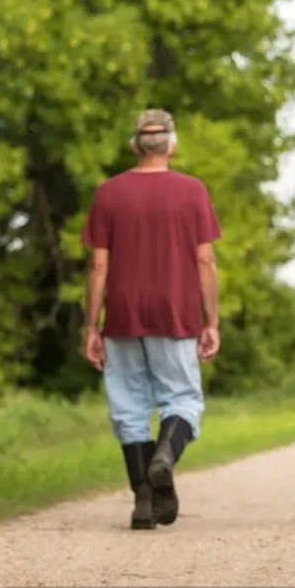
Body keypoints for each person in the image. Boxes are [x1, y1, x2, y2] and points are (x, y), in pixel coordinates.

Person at [81, 109, 222, 530]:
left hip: (122, 313)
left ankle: (143, 500)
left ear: (134, 145)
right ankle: (166, 456)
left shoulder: (108, 193)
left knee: (129, 407)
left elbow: (98, 267)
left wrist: (92, 325)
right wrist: (211, 319)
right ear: (171, 145)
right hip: (176, 313)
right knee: (182, 399)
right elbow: (205, 259)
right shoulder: (192, 191)